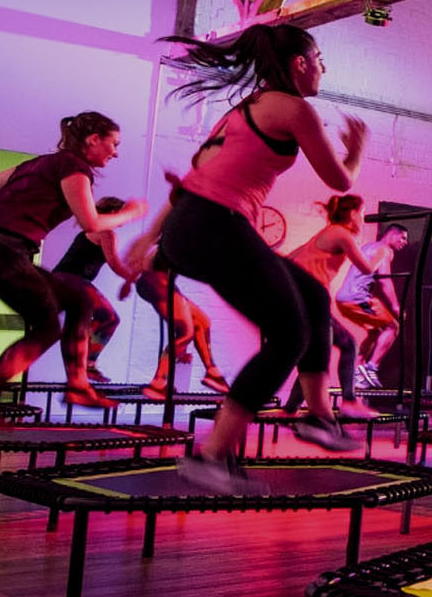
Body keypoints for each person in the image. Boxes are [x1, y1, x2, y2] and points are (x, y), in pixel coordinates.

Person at [126, 24, 368, 493]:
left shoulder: (241, 112)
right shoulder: (294, 108)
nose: (323, 68)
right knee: (290, 335)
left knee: (313, 296)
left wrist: (153, 238)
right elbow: (341, 180)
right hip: (216, 224)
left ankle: (320, 417)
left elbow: (195, 178)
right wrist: (355, 153)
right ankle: (212, 456)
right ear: (300, 63)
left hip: (192, 224)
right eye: (319, 59)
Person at [0, 112, 146, 420]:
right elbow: (90, 222)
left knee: (78, 300)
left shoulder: (35, 165)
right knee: (48, 327)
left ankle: (77, 384)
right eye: (114, 144)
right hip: (1, 252)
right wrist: (131, 213)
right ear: (94, 140)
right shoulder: (73, 166)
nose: (115, 153)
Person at [284, 194, 383, 419]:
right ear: (353, 214)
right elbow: (367, 268)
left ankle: (290, 409)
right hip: (310, 299)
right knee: (346, 346)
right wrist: (382, 252)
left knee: (315, 355)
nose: (363, 218)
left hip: (300, 298)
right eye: (362, 213)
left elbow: (290, 259)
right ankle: (349, 402)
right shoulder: (341, 233)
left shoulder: (326, 232)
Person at [51, 196, 141, 385]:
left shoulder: (89, 231)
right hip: (71, 281)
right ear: (114, 213)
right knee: (109, 318)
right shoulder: (106, 233)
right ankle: (87, 363)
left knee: (78, 326)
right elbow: (115, 263)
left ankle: (78, 370)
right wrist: (134, 278)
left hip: (59, 281)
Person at [126, 254, 230, 398]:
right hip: (156, 281)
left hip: (162, 282)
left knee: (202, 322)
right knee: (186, 333)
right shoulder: (178, 242)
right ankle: (158, 383)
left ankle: (212, 372)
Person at [335, 224, 409, 388]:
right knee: (393, 327)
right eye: (403, 238)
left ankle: (359, 368)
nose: (405, 242)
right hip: (356, 298)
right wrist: (396, 307)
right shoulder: (385, 250)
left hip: (342, 299)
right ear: (392, 234)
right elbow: (385, 281)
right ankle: (371, 368)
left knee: (375, 331)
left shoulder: (368, 247)